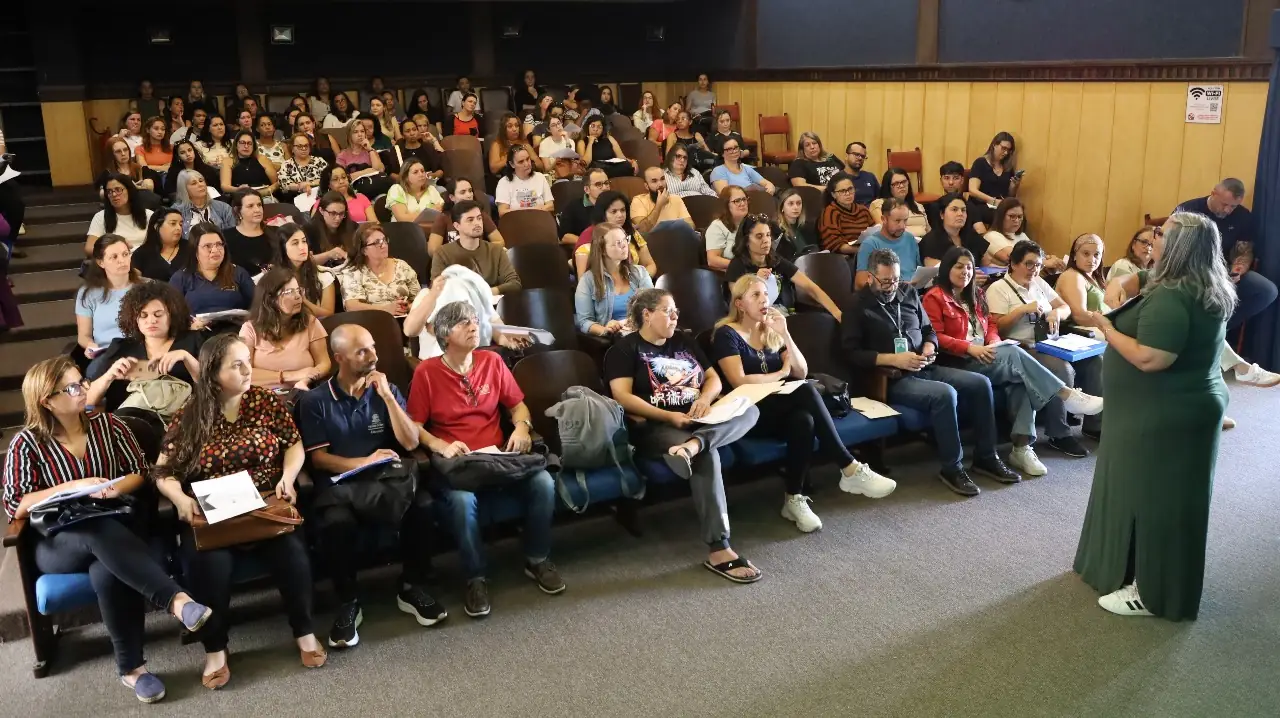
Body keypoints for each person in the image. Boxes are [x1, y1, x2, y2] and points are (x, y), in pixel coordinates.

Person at [3, 357, 213, 703]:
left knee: (106, 568)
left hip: (116, 524)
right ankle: (176, 600)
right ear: (47, 400)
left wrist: (115, 488)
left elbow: (139, 470)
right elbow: (16, 503)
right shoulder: (26, 444)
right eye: (72, 388)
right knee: (95, 533)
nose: (83, 390)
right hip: (60, 539)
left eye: (82, 382)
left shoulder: (109, 426)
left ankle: (132, 671)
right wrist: (72, 486)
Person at [1074, 212, 1237, 621]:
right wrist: (1119, 283)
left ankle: (1151, 592)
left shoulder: (1173, 297)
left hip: (1166, 412)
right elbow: (1141, 281)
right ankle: (1136, 573)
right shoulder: (1196, 281)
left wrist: (1106, 328)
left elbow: (1150, 358)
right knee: (1154, 493)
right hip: (1173, 407)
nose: (1153, 237)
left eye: (1162, 234)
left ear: (1179, 247)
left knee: (1160, 501)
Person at [153, 334, 325, 687]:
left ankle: (304, 632)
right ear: (213, 373)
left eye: (248, 360)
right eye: (237, 364)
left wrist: (289, 478)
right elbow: (163, 471)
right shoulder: (191, 413)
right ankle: (215, 649)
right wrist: (181, 499)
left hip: (263, 499)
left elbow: (294, 445)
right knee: (207, 565)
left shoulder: (264, 401)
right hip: (213, 507)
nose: (249, 369)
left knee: (292, 553)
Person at [407, 300, 564, 617]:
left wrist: (521, 427)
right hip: (460, 465)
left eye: (475, 320)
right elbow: (415, 428)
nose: (474, 326)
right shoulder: (427, 373)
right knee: (463, 503)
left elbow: (518, 406)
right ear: (445, 333)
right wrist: (440, 445)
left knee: (543, 482)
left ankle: (536, 559)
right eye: (464, 323)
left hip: (498, 457)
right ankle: (475, 577)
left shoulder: (491, 361)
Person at [296, 324, 445, 646]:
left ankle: (411, 587)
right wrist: (362, 462)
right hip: (340, 484)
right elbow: (320, 459)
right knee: (337, 524)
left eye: (373, 347)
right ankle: (348, 601)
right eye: (362, 351)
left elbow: (409, 441)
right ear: (339, 358)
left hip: (386, 480)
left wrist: (390, 398)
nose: (373, 356)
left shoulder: (385, 389)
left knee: (422, 506)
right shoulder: (316, 401)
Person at [605, 288, 763, 583]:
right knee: (708, 454)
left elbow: (714, 378)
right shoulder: (625, 349)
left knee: (750, 410)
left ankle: (693, 446)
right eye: (668, 311)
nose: (675, 316)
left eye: (676, 310)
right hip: (656, 427)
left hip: (699, 422)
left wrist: (704, 398)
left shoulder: (683, 341)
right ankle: (719, 549)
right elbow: (622, 396)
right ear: (647, 315)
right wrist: (669, 416)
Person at [712, 275, 895, 531]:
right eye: (755, 295)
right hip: (749, 414)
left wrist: (785, 333)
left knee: (804, 419)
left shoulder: (771, 331)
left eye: (765, 294)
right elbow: (740, 381)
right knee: (806, 392)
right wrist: (779, 374)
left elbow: (800, 370)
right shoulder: (726, 334)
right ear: (740, 304)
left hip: (779, 408)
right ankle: (848, 466)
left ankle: (794, 498)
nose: (764, 300)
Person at [841, 249, 1021, 496]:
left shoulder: (908, 293)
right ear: (870, 277)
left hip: (926, 365)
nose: (892, 286)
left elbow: (929, 331)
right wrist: (894, 359)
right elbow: (851, 353)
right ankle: (952, 467)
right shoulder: (855, 305)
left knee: (980, 383)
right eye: (885, 281)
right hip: (891, 377)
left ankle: (986, 457)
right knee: (945, 394)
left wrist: (928, 347)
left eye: (895, 279)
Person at [923, 247, 1101, 472]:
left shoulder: (975, 294)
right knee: (1018, 355)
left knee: (1022, 381)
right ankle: (1066, 394)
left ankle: (1021, 448)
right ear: (947, 268)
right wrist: (969, 348)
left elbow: (990, 325)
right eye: (959, 267)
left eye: (969, 267)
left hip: (986, 353)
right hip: (959, 360)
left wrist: (994, 341)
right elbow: (935, 336)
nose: (965, 272)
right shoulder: (934, 297)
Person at [986, 239, 1103, 439]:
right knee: (1061, 367)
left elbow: (1065, 307)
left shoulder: (1038, 283)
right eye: (1029, 264)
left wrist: (1056, 314)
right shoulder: (998, 288)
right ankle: (1059, 433)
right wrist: (1022, 310)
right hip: (1023, 346)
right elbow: (998, 328)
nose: (1034, 270)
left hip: (1049, 342)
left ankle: (1095, 426)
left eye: (1039, 265)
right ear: (1014, 264)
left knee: (1094, 361)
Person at [1175, 178, 1278, 339]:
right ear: (1214, 193)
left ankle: (1217, 329)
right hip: (1190, 270)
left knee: (1267, 291)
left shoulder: (1243, 216)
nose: (1228, 210)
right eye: (1225, 204)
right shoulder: (1188, 210)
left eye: (1233, 206)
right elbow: (1170, 248)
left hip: (1224, 272)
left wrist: (1238, 269)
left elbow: (1244, 250)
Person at [84, 281, 202, 413]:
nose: (151, 321)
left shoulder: (192, 341)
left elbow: (214, 388)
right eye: (143, 315)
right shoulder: (121, 348)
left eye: (158, 314)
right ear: (134, 319)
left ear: (172, 314)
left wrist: (187, 358)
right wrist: (109, 376)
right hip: (128, 423)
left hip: (181, 421)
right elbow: (87, 400)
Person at [725, 213, 843, 318]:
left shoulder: (776, 260)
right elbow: (741, 305)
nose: (766, 240)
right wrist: (756, 281)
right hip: (754, 321)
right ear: (746, 241)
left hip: (781, 316)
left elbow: (810, 287)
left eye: (768, 235)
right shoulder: (737, 265)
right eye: (759, 236)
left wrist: (837, 313)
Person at [239, 267, 330, 391]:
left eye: (298, 290)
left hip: (303, 392)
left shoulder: (310, 322)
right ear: (270, 298)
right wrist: (289, 376)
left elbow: (324, 363)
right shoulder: (250, 329)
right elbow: (242, 373)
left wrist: (308, 378)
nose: (298, 297)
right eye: (289, 292)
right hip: (263, 398)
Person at [575, 226, 654, 336]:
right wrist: (606, 330)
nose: (624, 245)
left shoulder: (640, 272)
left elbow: (653, 306)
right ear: (602, 250)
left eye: (625, 239)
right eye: (617, 243)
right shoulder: (588, 280)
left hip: (643, 331)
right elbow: (584, 322)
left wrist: (631, 322)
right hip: (614, 339)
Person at [77, 235, 146, 358]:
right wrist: (91, 346)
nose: (122, 260)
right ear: (101, 262)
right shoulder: (88, 293)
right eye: (114, 257)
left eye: (125, 254)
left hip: (143, 352)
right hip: (107, 354)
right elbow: (83, 336)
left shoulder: (147, 287)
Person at [432, 201, 521, 295]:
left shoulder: (496, 250)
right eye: (470, 220)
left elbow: (514, 284)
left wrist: (485, 293)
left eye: (479, 218)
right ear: (457, 226)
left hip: (491, 304)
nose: (477, 223)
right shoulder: (442, 253)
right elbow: (436, 289)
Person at [169, 224, 256, 315]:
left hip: (235, 327)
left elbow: (257, 307)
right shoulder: (181, 277)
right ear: (195, 250)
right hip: (195, 328)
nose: (215, 250)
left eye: (219, 244)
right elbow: (171, 313)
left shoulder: (238, 273)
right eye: (207, 246)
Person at [338, 222, 420, 314]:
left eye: (385, 240)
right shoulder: (354, 271)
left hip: (405, 320)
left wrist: (406, 306)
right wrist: (385, 309)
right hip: (371, 321)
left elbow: (419, 298)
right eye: (377, 243)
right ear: (364, 250)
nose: (384, 245)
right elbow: (352, 305)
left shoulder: (402, 266)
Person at [573, 191, 657, 279]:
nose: (620, 215)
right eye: (614, 211)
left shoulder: (631, 233)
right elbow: (584, 282)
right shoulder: (589, 238)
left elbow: (650, 265)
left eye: (623, 210)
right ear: (602, 214)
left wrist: (640, 281)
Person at [263, 221, 336, 317]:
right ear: (283, 248)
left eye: (304, 241)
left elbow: (328, 314)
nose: (302, 247)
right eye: (295, 243)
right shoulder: (273, 278)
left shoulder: (323, 274)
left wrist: (304, 301)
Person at [856, 199, 922, 289]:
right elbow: (860, 282)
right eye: (897, 221)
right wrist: (895, 286)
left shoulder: (910, 238)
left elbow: (918, 271)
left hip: (914, 294)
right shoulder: (870, 244)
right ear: (884, 219)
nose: (902, 226)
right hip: (887, 296)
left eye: (905, 220)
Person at [981, 198, 1063, 270]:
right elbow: (1016, 258)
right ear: (1001, 216)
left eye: (1020, 217)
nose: (1016, 220)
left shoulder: (1021, 235)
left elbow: (1038, 254)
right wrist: (1046, 263)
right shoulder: (991, 236)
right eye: (1012, 216)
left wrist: (1051, 259)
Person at [427, 179, 505, 255]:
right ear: (452, 197)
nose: (469, 195)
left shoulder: (481, 215)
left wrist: (478, 250)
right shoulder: (443, 217)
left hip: (479, 260)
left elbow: (500, 242)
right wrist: (459, 253)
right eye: (463, 192)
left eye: (470, 191)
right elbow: (433, 250)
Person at [968, 132, 1021, 234]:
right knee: (1002, 217)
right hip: (981, 204)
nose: (1006, 153)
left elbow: (1010, 195)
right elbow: (972, 190)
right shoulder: (981, 163)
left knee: (1019, 217)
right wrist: (993, 201)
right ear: (994, 145)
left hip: (1000, 204)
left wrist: (1014, 186)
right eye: (1003, 148)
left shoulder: (1007, 168)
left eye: (1009, 150)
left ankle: (1013, 244)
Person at [87, 173, 154, 253]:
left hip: (145, 259)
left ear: (129, 190)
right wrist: (118, 249)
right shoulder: (100, 217)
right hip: (116, 260)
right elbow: (89, 248)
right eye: (109, 192)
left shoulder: (149, 215)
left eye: (118, 190)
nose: (114, 194)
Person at [919, 193, 990, 267]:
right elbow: (933, 267)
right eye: (954, 210)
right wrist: (971, 273)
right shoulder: (931, 240)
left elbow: (987, 263)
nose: (960, 214)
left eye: (963, 210)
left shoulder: (971, 235)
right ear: (942, 214)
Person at [818, 171, 872, 257]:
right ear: (833, 195)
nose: (848, 194)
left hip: (867, 252)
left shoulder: (863, 210)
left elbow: (874, 232)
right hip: (845, 258)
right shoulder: (831, 212)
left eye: (850, 189)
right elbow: (835, 245)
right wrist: (863, 250)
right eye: (842, 191)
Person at [631, 166, 698, 235]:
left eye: (662, 179)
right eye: (654, 181)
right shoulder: (638, 201)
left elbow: (691, 226)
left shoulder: (676, 198)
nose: (660, 184)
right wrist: (659, 205)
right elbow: (642, 230)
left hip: (677, 239)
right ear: (646, 186)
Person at [132, 208, 191, 282]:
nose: (179, 228)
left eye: (181, 224)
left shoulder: (190, 248)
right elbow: (134, 281)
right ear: (157, 226)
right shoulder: (141, 253)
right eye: (173, 223)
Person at [223, 189, 273, 275]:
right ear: (238, 211)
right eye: (250, 206)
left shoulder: (277, 232)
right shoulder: (225, 237)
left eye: (259, 205)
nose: (257, 210)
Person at [870, 168, 930, 237]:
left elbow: (928, 230)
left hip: (923, 243)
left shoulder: (918, 205)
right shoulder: (878, 204)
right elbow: (885, 231)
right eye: (896, 183)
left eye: (904, 182)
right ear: (888, 187)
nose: (901, 186)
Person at [495, 146, 554, 215]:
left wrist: (533, 210)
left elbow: (551, 206)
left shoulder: (540, 177)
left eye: (528, 159)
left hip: (539, 220)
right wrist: (530, 210)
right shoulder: (504, 182)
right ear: (512, 164)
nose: (526, 164)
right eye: (521, 162)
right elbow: (502, 212)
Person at [559, 168, 611, 246]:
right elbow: (564, 236)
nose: (604, 188)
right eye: (598, 184)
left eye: (606, 183)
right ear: (587, 189)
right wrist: (591, 242)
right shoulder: (573, 207)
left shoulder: (616, 204)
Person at [221, 130, 278, 199]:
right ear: (236, 145)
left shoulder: (262, 159)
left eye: (249, 143)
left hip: (265, 197)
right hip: (240, 197)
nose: (246, 146)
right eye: (242, 143)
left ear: (253, 147)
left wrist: (266, 191)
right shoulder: (228, 161)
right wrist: (239, 190)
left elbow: (276, 182)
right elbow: (225, 186)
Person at [386, 118, 445, 184]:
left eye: (414, 130)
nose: (412, 133)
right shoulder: (396, 150)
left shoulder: (428, 147)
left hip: (428, 184)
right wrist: (405, 180)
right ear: (402, 135)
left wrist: (433, 175)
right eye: (408, 131)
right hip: (406, 186)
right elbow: (391, 174)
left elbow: (440, 171)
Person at [385, 157, 443, 221]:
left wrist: (412, 215)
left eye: (422, 171)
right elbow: (402, 218)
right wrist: (430, 213)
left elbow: (440, 212)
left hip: (429, 229)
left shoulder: (431, 189)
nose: (421, 174)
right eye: (415, 172)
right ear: (406, 176)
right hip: (403, 229)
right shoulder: (396, 189)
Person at [307, 191, 355, 269]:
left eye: (341, 213)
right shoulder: (309, 230)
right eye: (333, 213)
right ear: (321, 211)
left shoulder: (352, 226)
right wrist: (329, 254)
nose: (338, 218)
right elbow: (305, 263)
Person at [705, 185, 749, 270]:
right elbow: (712, 260)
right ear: (726, 205)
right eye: (737, 201)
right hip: (732, 274)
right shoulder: (717, 226)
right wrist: (741, 266)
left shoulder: (753, 222)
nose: (743, 203)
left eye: (744, 199)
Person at [336, 122, 387, 188]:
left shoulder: (371, 151)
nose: (360, 134)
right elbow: (341, 179)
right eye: (355, 132)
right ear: (349, 135)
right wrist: (366, 172)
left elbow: (380, 170)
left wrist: (370, 149)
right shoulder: (342, 156)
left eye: (362, 131)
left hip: (375, 186)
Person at [277, 133, 329, 198]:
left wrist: (310, 184)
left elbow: (329, 178)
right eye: (299, 146)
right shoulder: (287, 165)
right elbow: (283, 185)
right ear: (292, 148)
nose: (304, 148)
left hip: (321, 197)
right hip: (296, 199)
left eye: (306, 145)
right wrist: (300, 187)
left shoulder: (319, 161)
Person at [924, 161, 972, 231]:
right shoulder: (934, 207)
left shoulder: (970, 206)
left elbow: (979, 229)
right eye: (946, 178)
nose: (951, 182)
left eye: (956, 178)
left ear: (962, 180)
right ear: (941, 181)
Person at [776, 188, 819, 260]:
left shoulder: (808, 227)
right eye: (791, 204)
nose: (796, 207)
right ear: (782, 207)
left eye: (799, 203)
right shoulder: (777, 230)